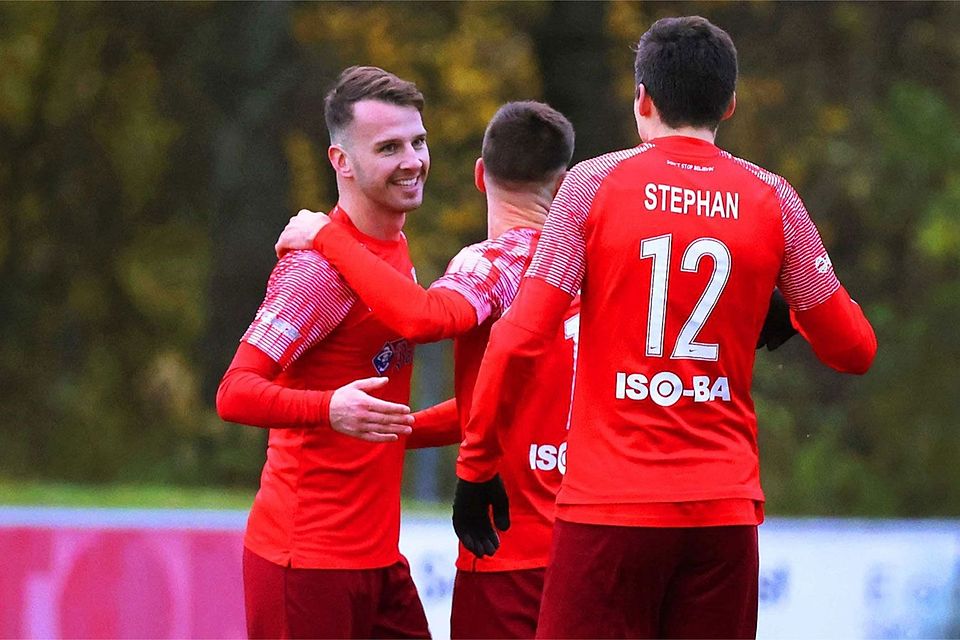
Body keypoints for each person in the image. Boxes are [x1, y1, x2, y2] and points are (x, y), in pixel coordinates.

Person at [452, 16, 878, 640]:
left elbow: (520, 338)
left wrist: (476, 465)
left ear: (644, 98)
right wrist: (797, 309)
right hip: (722, 512)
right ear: (729, 104)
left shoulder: (589, 185)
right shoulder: (775, 198)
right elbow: (855, 350)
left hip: (608, 508)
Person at [275, 101, 578, 639]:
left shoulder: (492, 263)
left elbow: (424, 318)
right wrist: (397, 430)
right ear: (564, 184)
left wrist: (327, 237)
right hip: (590, 546)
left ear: (480, 176)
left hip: (505, 547)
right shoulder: (592, 266)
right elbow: (503, 404)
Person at [215, 66, 433, 639]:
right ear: (341, 163)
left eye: (418, 141)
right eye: (389, 147)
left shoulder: (393, 246)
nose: (412, 160)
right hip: (305, 562)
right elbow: (233, 393)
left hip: (379, 559)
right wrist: (326, 408)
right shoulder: (317, 272)